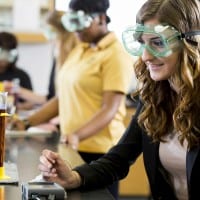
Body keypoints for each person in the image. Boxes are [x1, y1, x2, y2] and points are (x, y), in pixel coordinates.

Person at [38, 0, 200, 199]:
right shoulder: (153, 99)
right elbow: (118, 159)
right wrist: (74, 177)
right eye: (143, 44)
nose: (146, 56)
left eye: (158, 42)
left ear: (191, 41)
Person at [13, 0, 133, 199]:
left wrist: (77, 134)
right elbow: (62, 99)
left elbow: (109, 108)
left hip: (100, 152)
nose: (75, 30)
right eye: (71, 23)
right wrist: (26, 122)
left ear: (101, 18)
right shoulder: (81, 49)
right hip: (72, 147)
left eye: (80, 22)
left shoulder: (115, 54)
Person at [0, 31, 33, 110]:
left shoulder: (22, 75)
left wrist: (14, 107)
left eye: (9, 53)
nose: (4, 58)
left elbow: (31, 102)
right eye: (1, 52)